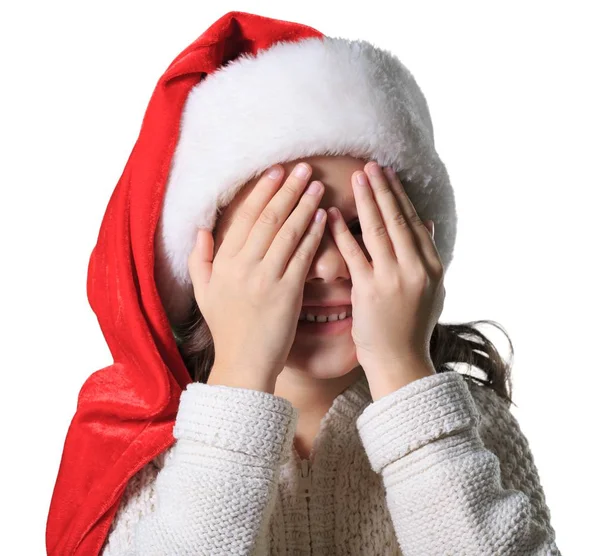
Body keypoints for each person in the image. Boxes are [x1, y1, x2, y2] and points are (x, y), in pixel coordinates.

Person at [46, 10, 561, 556]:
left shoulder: (470, 425)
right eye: (284, 236)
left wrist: (404, 375)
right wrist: (240, 379)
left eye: (366, 227)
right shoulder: (152, 454)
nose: (331, 266)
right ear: (202, 265)